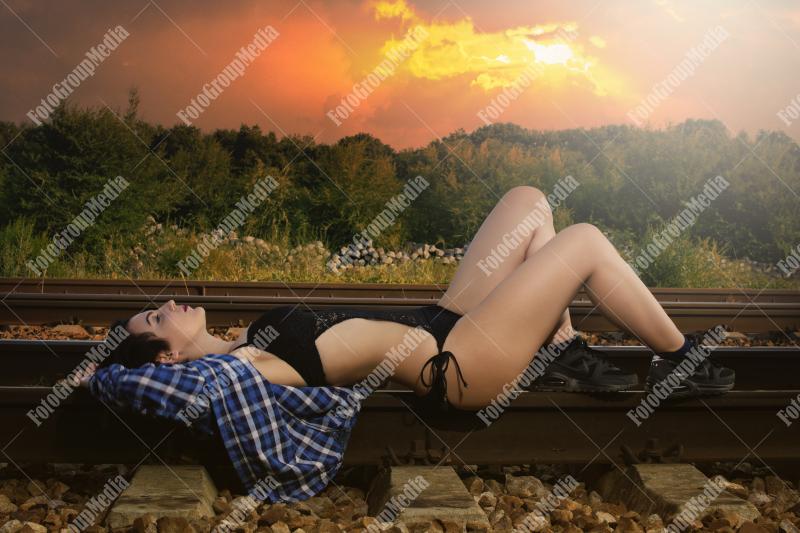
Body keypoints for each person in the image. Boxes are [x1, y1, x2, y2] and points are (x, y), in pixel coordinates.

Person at [81, 185, 734, 495]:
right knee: (583, 241)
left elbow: (169, 370)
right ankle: (682, 361)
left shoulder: (248, 342)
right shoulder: (244, 372)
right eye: (157, 319)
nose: (168, 304)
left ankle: (558, 350)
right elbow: (160, 387)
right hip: (459, 363)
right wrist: (102, 374)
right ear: (166, 355)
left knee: (530, 201)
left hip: (446, 316)